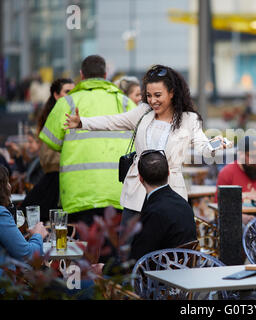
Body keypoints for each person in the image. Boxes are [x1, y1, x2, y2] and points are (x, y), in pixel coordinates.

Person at [63, 64, 227, 231]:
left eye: (158, 95)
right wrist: (82, 122)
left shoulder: (189, 119)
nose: (152, 100)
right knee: (130, 244)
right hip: (137, 191)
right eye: (148, 95)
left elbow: (204, 147)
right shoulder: (142, 111)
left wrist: (216, 145)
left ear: (172, 93)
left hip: (170, 191)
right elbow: (112, 121)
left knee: (165, 246)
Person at [39, 55, 137, 225]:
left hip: (79, 195)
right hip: (118, 194)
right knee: (114, 248)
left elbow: (51, 142)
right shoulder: (125, 103)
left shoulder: (67, 103)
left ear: (81, 75)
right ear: (105, 75)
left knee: (84, 248)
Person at [20, 79, 75, 222]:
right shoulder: (55, 116)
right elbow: (47, 154)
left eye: (73, 91)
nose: (71, 95)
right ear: (56, 95)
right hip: (56, 177)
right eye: (67, 91)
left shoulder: (68, 113)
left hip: (59, 176)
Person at [129, 150, 197, 261]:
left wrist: (104, 269)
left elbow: (136, 259)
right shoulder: (184, 203)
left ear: (140, 178)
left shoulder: (154, 212)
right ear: (168, 173)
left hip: (159, 274)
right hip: (184, 271)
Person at [215, 135, 256, 225]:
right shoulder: (227, 173)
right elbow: (220, 207)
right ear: (241, 155)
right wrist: (239, 217)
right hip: (237, 226)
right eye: (252, 156)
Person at [0, 165, 48, 278]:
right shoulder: (1, 214)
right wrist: (38, 235)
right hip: (7, 287)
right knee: (84, 286)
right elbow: (27, 256)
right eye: (7, 181)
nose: (10, 186)